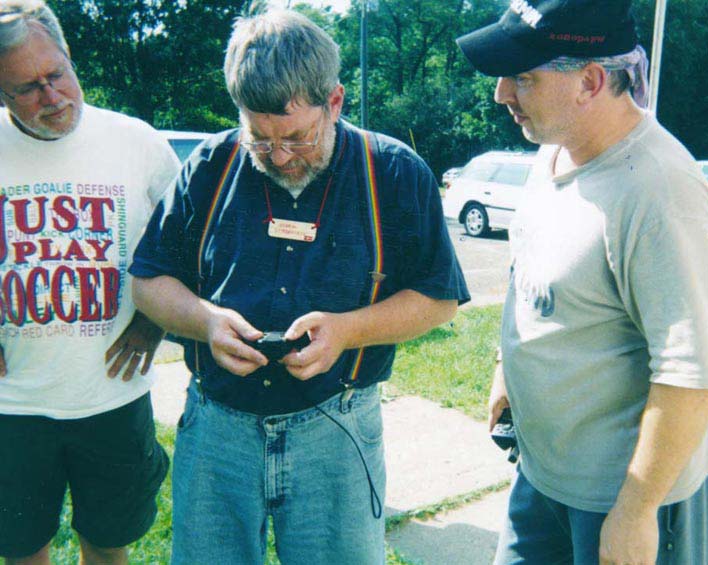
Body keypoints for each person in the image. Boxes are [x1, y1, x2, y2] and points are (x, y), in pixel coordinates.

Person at [130, 8, 469, 565]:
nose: (280, 156)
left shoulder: (395, 171)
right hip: (218, 431)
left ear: (335, 102)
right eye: (259, 139)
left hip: (336, 427)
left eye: (297, 136)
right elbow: (148, 281)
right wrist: (206, 321)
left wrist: (347, 331)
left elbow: (439, 297)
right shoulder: (212, 164)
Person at [457, 1, 708, 564]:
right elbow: (528, 270)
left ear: (590, 81)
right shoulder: (554, 152)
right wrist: (504, 368)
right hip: (544, 474)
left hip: (625, 496)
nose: (502, 94)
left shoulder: (660, 191)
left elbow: (691, 374)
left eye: (523, 77)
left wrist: (635, 513)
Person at [0, 2, 178, 563]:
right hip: (12, 405)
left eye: (56, 75)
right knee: (22, 546)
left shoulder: (138, 143)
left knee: (107, 543)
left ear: (70, 56)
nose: (52, 98)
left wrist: (154, 320)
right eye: (26, 88)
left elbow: (191, 245)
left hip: (112, 396)